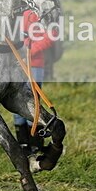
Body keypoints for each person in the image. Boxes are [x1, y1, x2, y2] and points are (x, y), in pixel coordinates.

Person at [13, 8, 58, 156]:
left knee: (34, 103)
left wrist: (29, 52)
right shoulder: (18, 12)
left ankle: (36, 144)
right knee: (17, 102)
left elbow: (51, 35)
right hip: (17, 65)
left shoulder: (43, 13)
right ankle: (23, 144)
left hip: (35, 65)